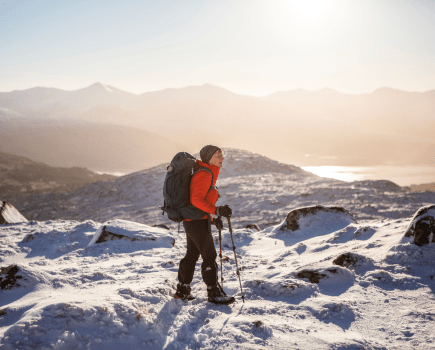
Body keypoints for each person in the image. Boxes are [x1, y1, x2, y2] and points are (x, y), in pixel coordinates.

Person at [174, 145, 235, 304]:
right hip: (196, 223)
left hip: (194, 221)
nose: (222, 158)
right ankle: (213, 293)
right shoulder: (204, 174)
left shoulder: (206, 173)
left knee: (192, 255)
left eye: (222, 155)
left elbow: (199, 204)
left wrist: (213, 219)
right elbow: (196, 200)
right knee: (209, 256)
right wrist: (217, 210)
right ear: (208, 158)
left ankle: (182, 291)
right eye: (218, 155)